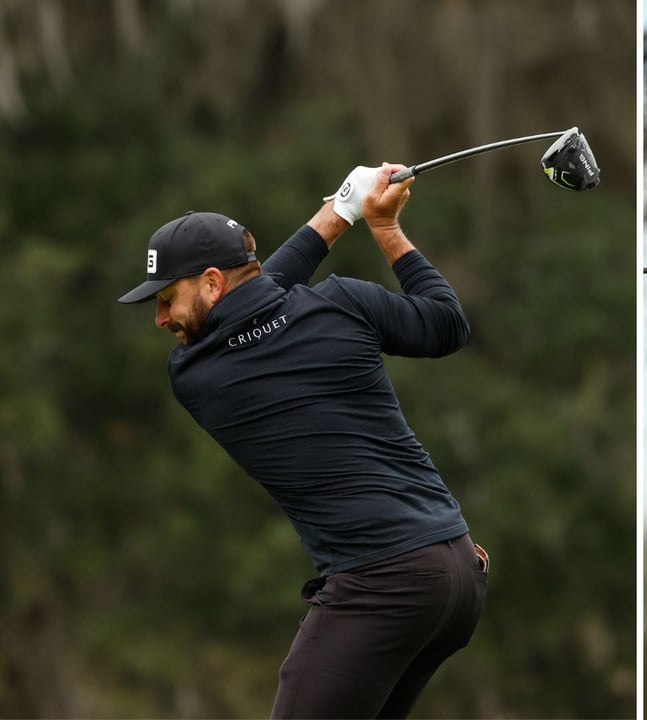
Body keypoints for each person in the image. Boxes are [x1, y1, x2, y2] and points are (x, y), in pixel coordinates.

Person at [118, 164, 488, 718]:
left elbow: (265, 298)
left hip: (381, 585)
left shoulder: (195, 372)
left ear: (214, 282)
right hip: (456, 573)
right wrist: (377, 225)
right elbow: (447, 325)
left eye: (167, 298)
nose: (160, 317)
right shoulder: (343, 304)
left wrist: (343, 213)